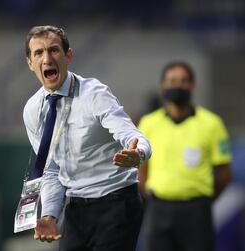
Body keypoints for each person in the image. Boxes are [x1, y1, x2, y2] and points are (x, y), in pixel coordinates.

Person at [23, 25, 152, 251]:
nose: (47, 58)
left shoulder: (95, 94)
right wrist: (50, 215)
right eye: (38, 53)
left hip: (116, 204)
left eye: (53, 50)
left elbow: (134, 137)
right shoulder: (33, 110)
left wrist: (138, 154)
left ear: (68, 56)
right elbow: (51, 169)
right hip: (75, 211)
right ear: (30, 63)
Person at [138, 61, 232, 251]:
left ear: (193, 85)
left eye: (183, 81)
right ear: (162, 85)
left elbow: (223, 174)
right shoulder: (148, 123)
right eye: (172, 80)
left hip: (197, 211)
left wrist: (203, 199)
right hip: (159, 209)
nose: (177, 86)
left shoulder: (212, 123)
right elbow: (142, 169)